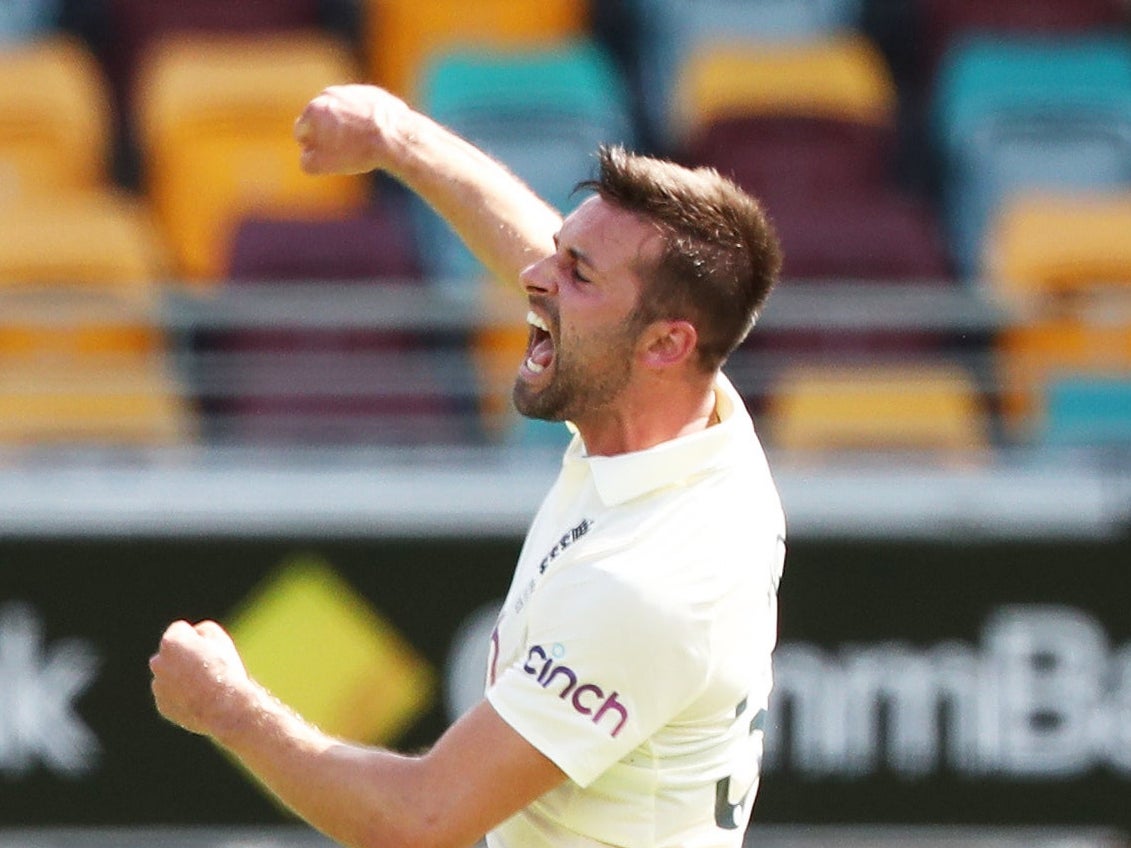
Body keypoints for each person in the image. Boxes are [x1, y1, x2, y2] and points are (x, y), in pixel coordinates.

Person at [149, 83, 786, 848]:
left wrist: (227, 708)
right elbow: (540, 253)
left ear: (663, 345)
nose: (538, 277)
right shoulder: (686, 406)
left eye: (576, 273)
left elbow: (419, 818)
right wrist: (396, 136)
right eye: (561, 254)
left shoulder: (647, 582)